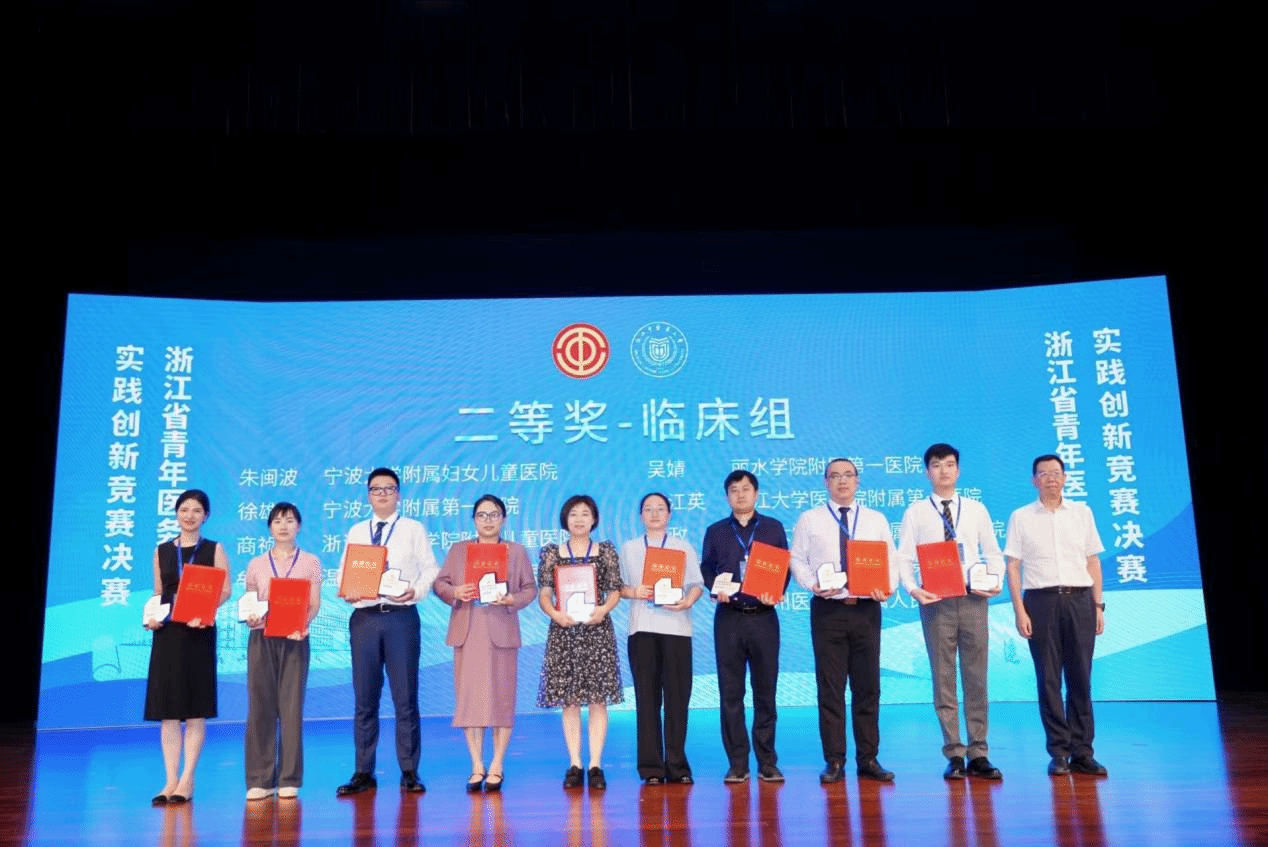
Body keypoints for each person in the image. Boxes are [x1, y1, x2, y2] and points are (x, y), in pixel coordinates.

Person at [896, 444, 1005, 781]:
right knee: (943, 678)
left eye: (949, 464)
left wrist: (995, 581)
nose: (943, 470)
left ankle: (979, 752)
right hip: (936, 602)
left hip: (973, 599)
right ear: (927, 472)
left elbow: (993, 552)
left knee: (976, 677)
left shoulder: (975, 509)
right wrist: (912, 588)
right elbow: (904, 557)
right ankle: (954, 752)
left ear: (958, 470)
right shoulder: (916, 512)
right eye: (936, 465)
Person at [789, 458, 899, 783]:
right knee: (831, 688)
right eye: (834, 476)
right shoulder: (810, 519)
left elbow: (890, 559)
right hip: (828, 610)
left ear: (857, 480)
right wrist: (812, 584)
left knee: (868, 687)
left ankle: (869, 758)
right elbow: (796, 559)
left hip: (866, 609)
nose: (842, 481)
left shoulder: (876, 519)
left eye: (848, 475)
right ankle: (834, 760)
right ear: (825, 482)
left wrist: (887, 587)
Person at [335, 468, 439, 796]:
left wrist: (416, 591)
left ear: (398, 494)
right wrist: (347, 589)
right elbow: (343, 572)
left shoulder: (413, 529)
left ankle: (409, 770)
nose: (382, 494)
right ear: (368, 495)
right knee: (365, 698)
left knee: (405, 697)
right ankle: (363, 771)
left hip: (400, 618)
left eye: (388, 488)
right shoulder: (357, 531)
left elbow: (430, 569)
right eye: (376, 489)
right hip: (364, 619)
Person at [1004, 454, 1108, 777]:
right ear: (1034, 480)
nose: (1051, 478)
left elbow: (1093, 561)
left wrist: (1098, 606)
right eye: (1043, 473)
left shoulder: (1082, 513)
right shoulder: (1021, 517)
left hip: (1080, 600)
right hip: (1041, 602)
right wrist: (1019, 610)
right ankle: (1059, 752)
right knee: (1048, 678)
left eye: (1056, 472)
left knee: (1081, 677)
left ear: (1065, 478)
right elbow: (1013, 566)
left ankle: (1083, 752)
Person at [432, 494, 537, 793]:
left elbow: (530, 589)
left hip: (501, 629)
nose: (488, 520)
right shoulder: (459, 550)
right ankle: (477, 764)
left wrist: (512, 599)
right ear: (474, 520)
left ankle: (497, 764)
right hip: (468, 630)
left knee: (502, 700)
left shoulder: (516, 551)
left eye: (494, 515)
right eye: (482, 515)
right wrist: (455, 591)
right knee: (470, 701)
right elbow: (440, 583)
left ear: (503, 518)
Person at [699, 470, 789, 784]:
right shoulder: (715, 531)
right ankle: (737, 762)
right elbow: (706, 568)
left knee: (766, 692)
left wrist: (775, 591)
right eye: (734, 490)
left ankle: (767, 761)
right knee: (730, 693)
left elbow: (783, 568)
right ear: (727, 496)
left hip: (764, 617)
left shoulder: (773, 527)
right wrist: (715, 588)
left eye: (746, 489)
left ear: (756, 493)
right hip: (729, 618)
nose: (740, 494)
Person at [144, 488, 232, 805]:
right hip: (168, 634)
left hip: (199, 632)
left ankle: (187, 779)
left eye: (196, 510)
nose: (189, 515)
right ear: (177, 514)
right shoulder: (162, 551)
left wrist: (205, 611)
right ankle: (169, 780)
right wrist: (152, 618)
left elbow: (225, 589)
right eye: (184, 509)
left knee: (195, 710)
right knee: (168, 712)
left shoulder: (213, 549)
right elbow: (158, 593)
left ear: (205, 516)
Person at [536, 494, 624, 790]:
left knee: (598, 700)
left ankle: (596, 764)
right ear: (565, 518)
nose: (579, 519)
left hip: (597, 630)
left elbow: (614, 589)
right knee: (569, 700)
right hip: (564, 631)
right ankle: (574, 763)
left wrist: (604, 609)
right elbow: (544, 592)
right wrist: (554, 614)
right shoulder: (552, 552)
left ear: (594, 519)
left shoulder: (606, 551)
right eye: (573, 513)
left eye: (585, 513)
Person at [618, 492, 705, 785]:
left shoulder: (682, 546)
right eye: (648, 509)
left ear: (669, 514)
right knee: (647, 699)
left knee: (678, 699)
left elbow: (697, 584)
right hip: (642, 629)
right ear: (640, 515)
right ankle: (651, 768)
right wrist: (634, 591)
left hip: (677, 629)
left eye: (660, 508)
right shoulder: (629, 548)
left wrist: (688, 601)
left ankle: (677, 765)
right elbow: (617, 587)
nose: (654, 514)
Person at [242, 502, 323, 800]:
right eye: (277, 521)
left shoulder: (311, 561)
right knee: (260, 706)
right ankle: (260, 779)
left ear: (298, 526)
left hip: (295, 637)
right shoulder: (256, 564)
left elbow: (314, 603)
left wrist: (302, 624)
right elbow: (250, 602)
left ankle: (289, 777)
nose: (283, 526)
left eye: (289, 520)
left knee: (291, 707)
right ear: (269, 527)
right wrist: (251, 617)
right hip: (262, 637)